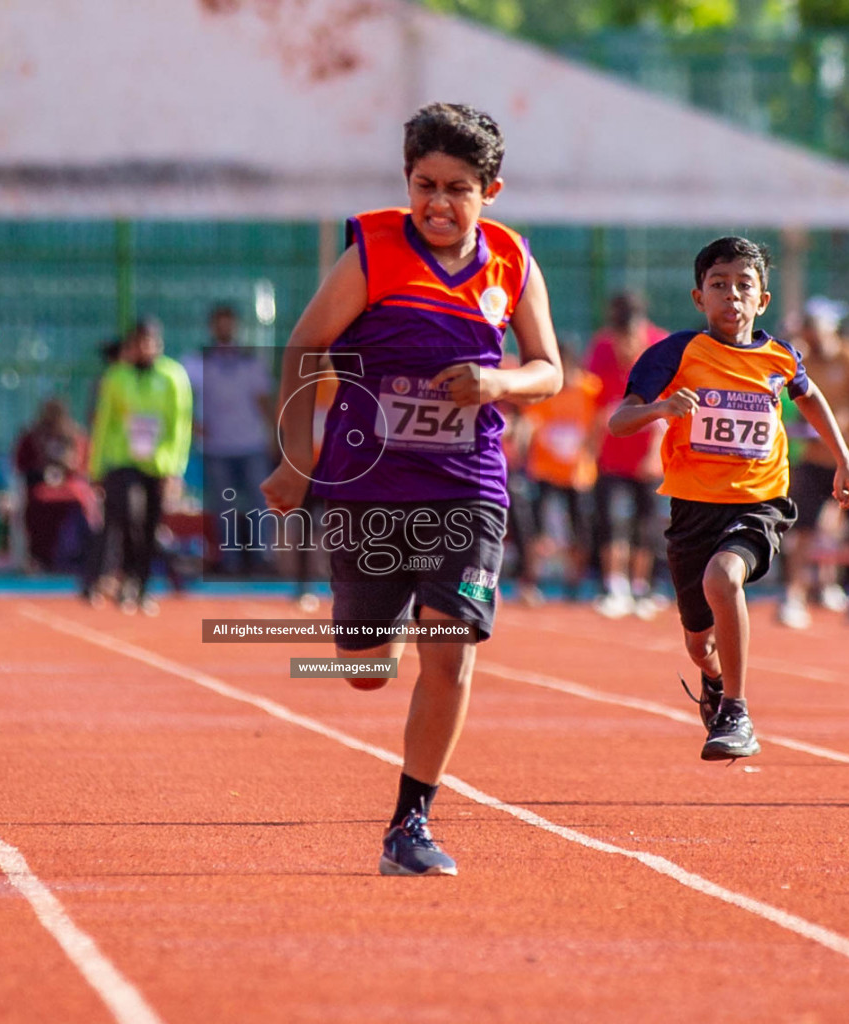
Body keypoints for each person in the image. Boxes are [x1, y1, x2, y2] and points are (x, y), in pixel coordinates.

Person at [261, 102, 561, 875]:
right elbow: (304, 347)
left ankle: (410, 822)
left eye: (457, 187)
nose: (437, 202)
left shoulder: (511, 261)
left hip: (468, 483)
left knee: (451, 645)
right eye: (424, 184)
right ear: (406, 181)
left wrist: (497, 382)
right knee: (365, 665)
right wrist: (297, 457)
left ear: (491, 190)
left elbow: (549, 369)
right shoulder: (373, 250)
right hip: (368, 485)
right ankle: (377, 637)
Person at [609, 236, 849, 761]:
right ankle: (716, 681)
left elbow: (810, 397)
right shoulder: (676, 353)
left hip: (759, 501)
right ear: (699, 297)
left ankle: (737, 710)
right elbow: (618, 421)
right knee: (699, 646)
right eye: (719, 286)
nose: (732, 296)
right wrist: (661, 408)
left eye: (744, 286)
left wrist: (846, 459)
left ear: (762, 300)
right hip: (691, 508)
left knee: (724, 577)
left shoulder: (779, 356)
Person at [778, 297, 849, 628]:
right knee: (802, 530)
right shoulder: (804, 360)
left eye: (815, 326)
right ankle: (793, 597)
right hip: (813, 457)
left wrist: (845, 418)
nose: (810, 334)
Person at [86, 316, 193, 615]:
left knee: (150, 527)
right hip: (123, 461)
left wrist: (174, 469)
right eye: (139, 342)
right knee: (127, 517)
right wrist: (96, 469)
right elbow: (104, 424)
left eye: (151, 341)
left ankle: (142, 586)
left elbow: (180, 426)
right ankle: (124, 580)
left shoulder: (174, 377)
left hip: (158, 466)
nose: (145, 348)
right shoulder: (116, 377)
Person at [587, 292, 668, 618]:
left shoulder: (660, 344)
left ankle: (641, 587)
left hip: (647, 455)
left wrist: (654, 455)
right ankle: (613, 585)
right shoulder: (602, 347)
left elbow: (668, 407)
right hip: (611, 453)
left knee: (646, 524)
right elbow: (595, 405)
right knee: (610, 520)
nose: (625, 346)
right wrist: (591, 451)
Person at [196, 304, 275, 576]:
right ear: (212, 327)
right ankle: (229, 562)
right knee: (224, 506)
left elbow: (264, 401)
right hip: (217, 448)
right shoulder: (198, 361)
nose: (225, 328)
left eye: (229, 323)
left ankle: (261, 559)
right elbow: (185, 400)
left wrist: (274, 436)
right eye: (220, 323)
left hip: (251, 444)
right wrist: (194, 427)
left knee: (259, 503)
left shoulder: (251, 361)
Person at [520, 342, 601, 601]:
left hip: (578, 474)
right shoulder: (546, 391)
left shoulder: (591, 389)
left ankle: (574, 584)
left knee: (580, 530)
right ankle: (530, 582)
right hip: (545, 471)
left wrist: (589, 455)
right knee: (535, 528)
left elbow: (600, 424)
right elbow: (530, 423)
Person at [14, 397, 95, 572]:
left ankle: (76, 556)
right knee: (38, 504)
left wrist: (68, 465)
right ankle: (40, 558)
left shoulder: (75, 436)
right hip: (40, 489)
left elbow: (84, 468)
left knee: (81, 504)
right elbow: (22, 466)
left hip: (71, 489)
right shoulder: (32, 436)